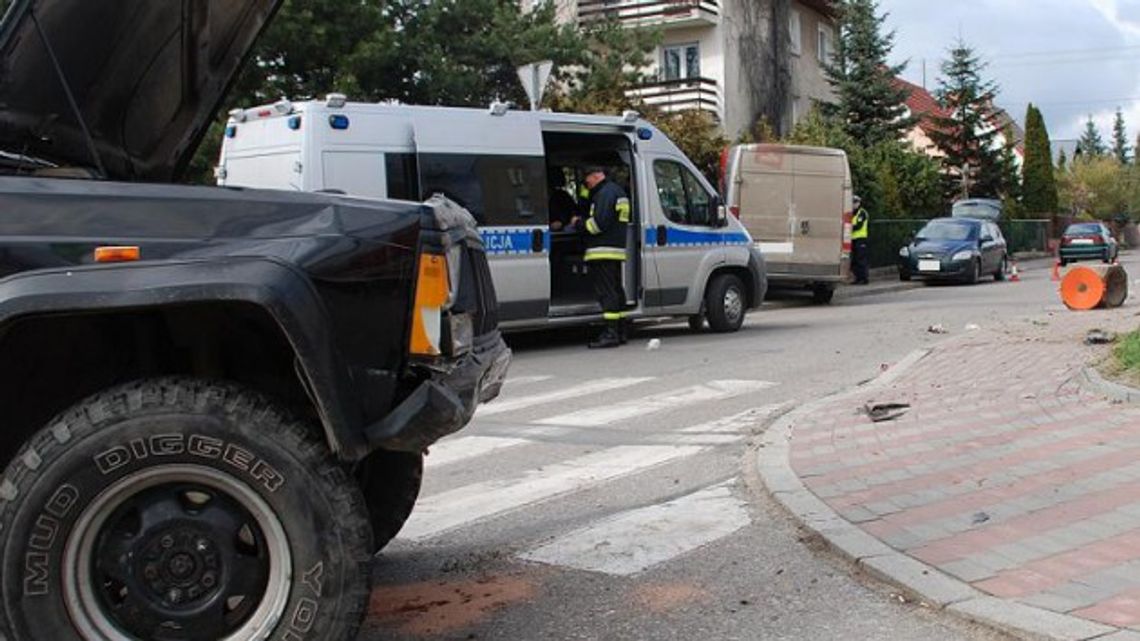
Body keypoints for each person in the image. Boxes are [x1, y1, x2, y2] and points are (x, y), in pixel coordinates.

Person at [573, 157, 631, 349]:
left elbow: (597, 224)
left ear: (597, 175)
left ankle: (611, 333)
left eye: (587, 178)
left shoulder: (605, 194)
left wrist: (578, 224)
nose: (585, 182)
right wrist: (584, 193)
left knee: (606, 293)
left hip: (602, 250)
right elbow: (587, 204)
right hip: (613, 250)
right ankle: (620, 331)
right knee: (616, 291)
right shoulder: (614, 191)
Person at [851, 195, 870, 285]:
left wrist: (849, 228)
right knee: (855, 259)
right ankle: (858, 278)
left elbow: (858, 225)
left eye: (855, 202)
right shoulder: (852, 213)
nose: (853, 205)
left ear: (859, 203)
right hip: (853, 239)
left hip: (861, 239)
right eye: (852, 203)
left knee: (861, 259)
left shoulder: (862, 213)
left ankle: (864, 278)